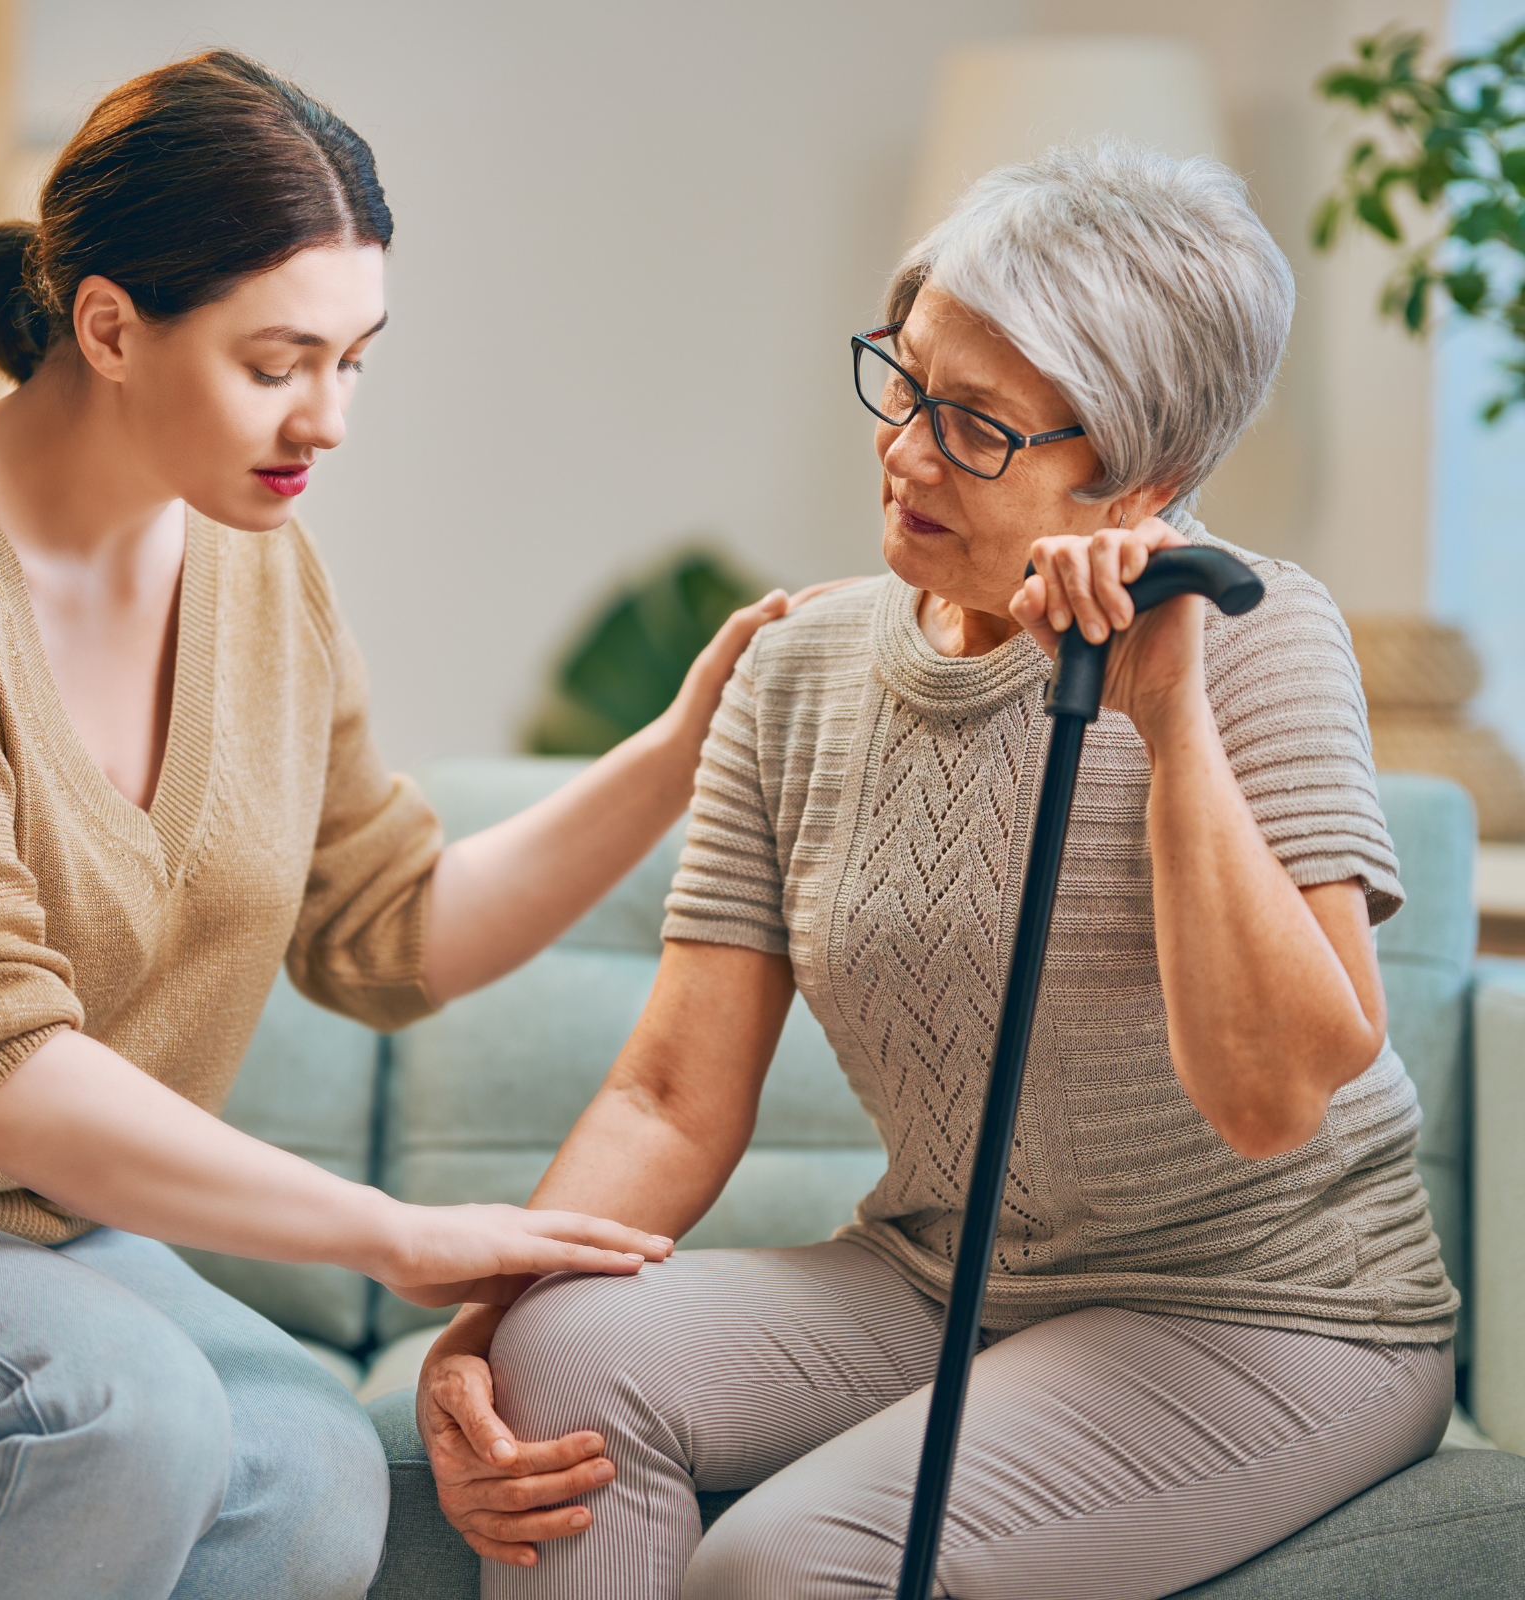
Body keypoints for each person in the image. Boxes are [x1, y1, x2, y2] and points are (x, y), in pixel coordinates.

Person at [0, 51, 808, 1600]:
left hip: (31, 1248)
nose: (329, 418)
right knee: (117, 1418)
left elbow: (390, 930)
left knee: (310, 1478)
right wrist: (389, 1235)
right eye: (279, 360)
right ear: (108, 327)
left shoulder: (260, 568)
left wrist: (681, 750)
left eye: (357, 360)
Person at [415, 141, 1459, 1600]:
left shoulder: (1260, 635)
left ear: (1139, 479)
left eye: (973, 427)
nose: (905, 451)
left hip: (1261, 1314)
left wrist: (1168, 721)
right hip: (938, 1278)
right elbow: (669, 1093)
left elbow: (1276, 1094)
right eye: (904, 384)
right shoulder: (800, 673)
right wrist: (489, 1337)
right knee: (566, 1359)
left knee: (790, 1560)